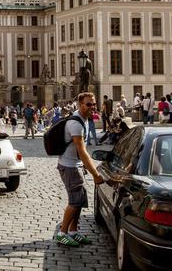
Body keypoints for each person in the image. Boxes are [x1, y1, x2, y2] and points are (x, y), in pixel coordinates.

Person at [56, 92, 104, 247]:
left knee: (80, 199)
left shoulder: (82, 118)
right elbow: (82, 151)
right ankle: (62, 233)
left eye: (94, 103)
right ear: (79, 105)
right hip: (69, 167)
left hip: (74, 165)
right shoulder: (76, 124)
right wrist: (95, 174)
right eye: (88, 104)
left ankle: (73, 231)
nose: (92, 107)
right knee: (74, 201)